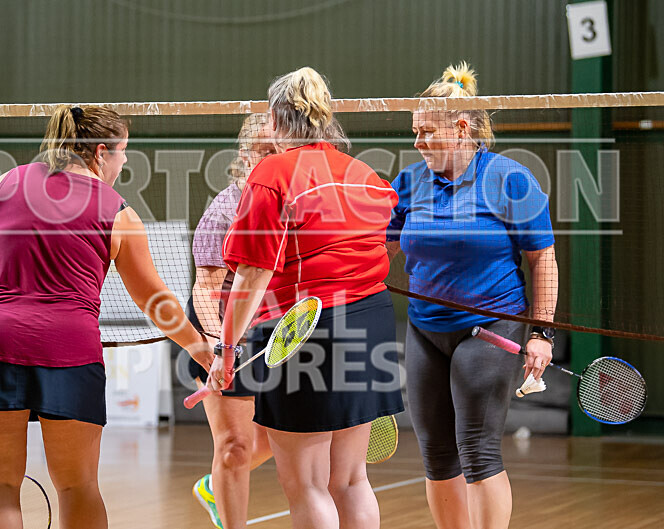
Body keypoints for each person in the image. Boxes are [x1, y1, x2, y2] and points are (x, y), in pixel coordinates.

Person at [0, 105, 213, 529]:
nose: (125, 161)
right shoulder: (119, 212)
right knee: (77, 486)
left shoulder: (2, 185)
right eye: (124, 152)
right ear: (102, 152)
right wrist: (204, 350)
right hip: (67, 347)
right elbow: (155, 301)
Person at [206, 67, 404, 529]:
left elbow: (252, 273)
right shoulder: (364, 174)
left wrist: (227, 348)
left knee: (307, 484)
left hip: (304, 329)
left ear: (274, 121)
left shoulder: (271, 174)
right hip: (371, 320)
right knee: (352, 480)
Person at [385, 62, 558, 529]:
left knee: (477, 451)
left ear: (461, 127)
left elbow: (543, 261)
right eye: (414, 131)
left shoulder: (510, 179)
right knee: (437, 455)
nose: (417, 142)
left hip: (491, 326)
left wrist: (541, 333)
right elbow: (380, 250)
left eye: (426, 131)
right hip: (425, 329)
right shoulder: (410, 182)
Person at [187, 113, 276, 529]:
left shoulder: (292, 201)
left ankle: (212, 485)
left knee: (279, 437)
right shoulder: (224, 209)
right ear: (245, 155)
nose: (275, 156)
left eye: (281, 148)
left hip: (277, 332)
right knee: (235, 448)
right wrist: (216, 347)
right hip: (224, 330)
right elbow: (204, 289)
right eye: (265, 149)